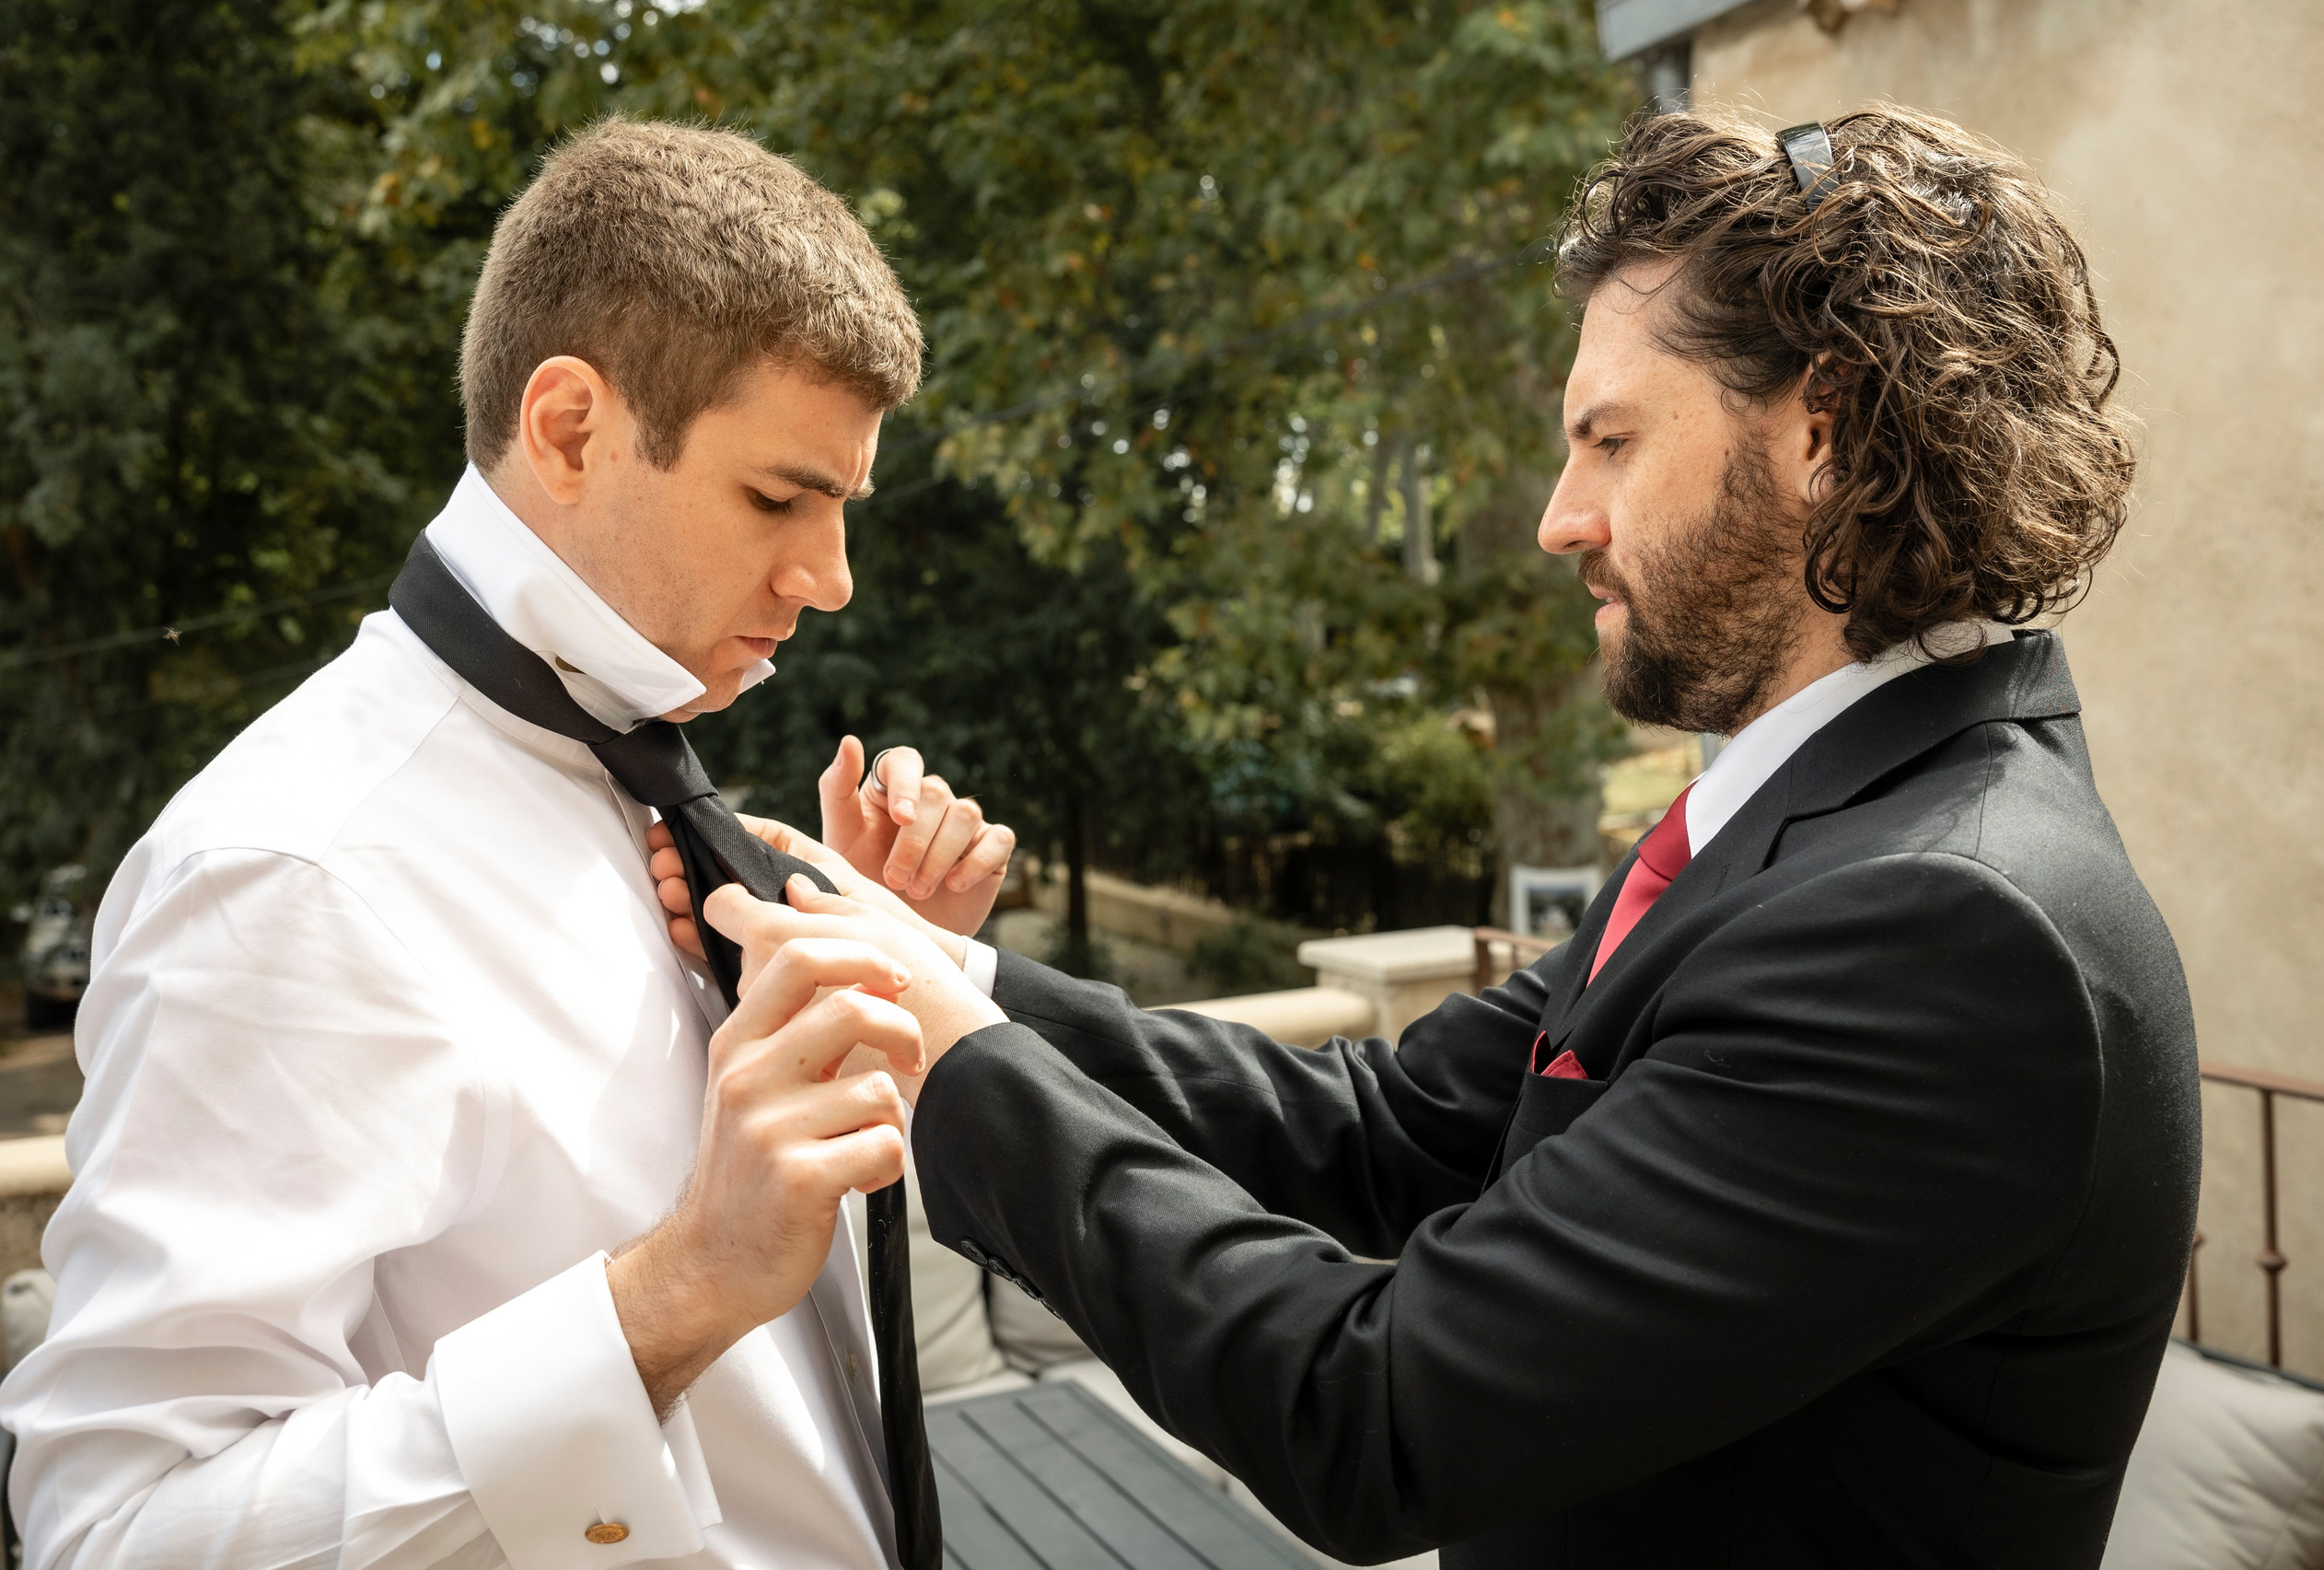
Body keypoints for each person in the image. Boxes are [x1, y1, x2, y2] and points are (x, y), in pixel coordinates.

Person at [671, 107, 2202, 1569]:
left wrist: (948, 1059)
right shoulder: (1817, 831)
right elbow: (1391, 1134)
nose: (1560, 516)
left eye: (1609, 439)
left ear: (1830, 431)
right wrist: (941, 966)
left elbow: (1373, 1414)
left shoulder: (1944, 932)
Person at [0, 119, 1016, 1570]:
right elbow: (121, 1533)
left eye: (842, 507)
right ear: (569, 430)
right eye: (780, 498)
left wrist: (882, 973)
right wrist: (670, 1296)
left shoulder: (638, 764)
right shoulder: (290, 872)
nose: (831, 578)